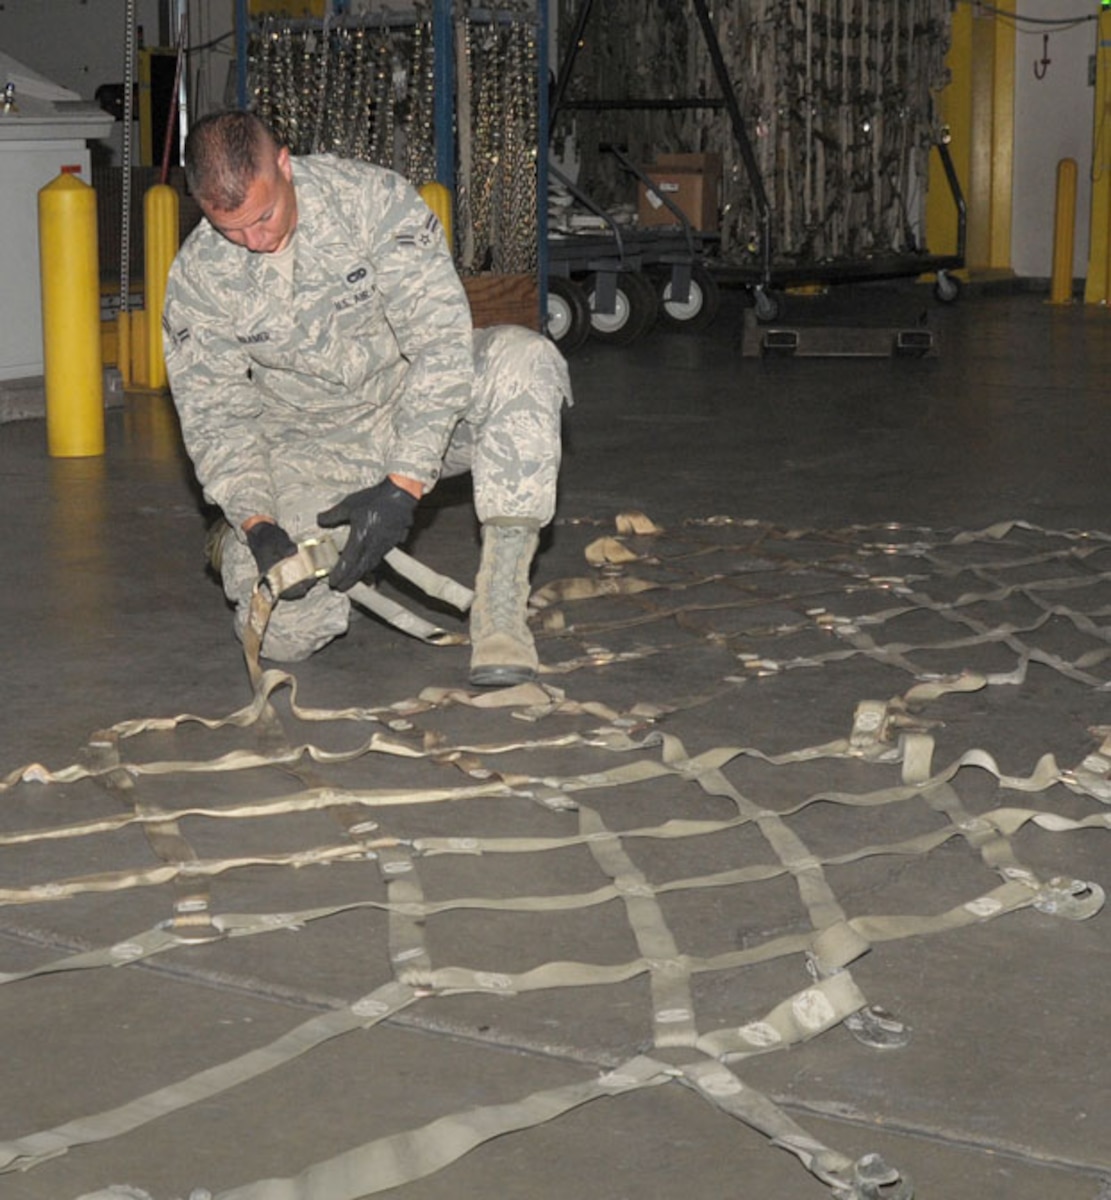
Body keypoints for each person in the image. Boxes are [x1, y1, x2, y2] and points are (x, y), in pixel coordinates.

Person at [162, 110, 571, 686]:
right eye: (231, 228)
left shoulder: (370, 201)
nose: (254, 240)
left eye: (264, 216)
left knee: (522, 361)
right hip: (310, 445)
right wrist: (258, 523)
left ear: (284, 164)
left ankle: (500, 606)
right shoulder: (198, 279)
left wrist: (403, 485)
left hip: (413, 406)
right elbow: (217, 418)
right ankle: (265, 540)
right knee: (287, 636)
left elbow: (440, 343)